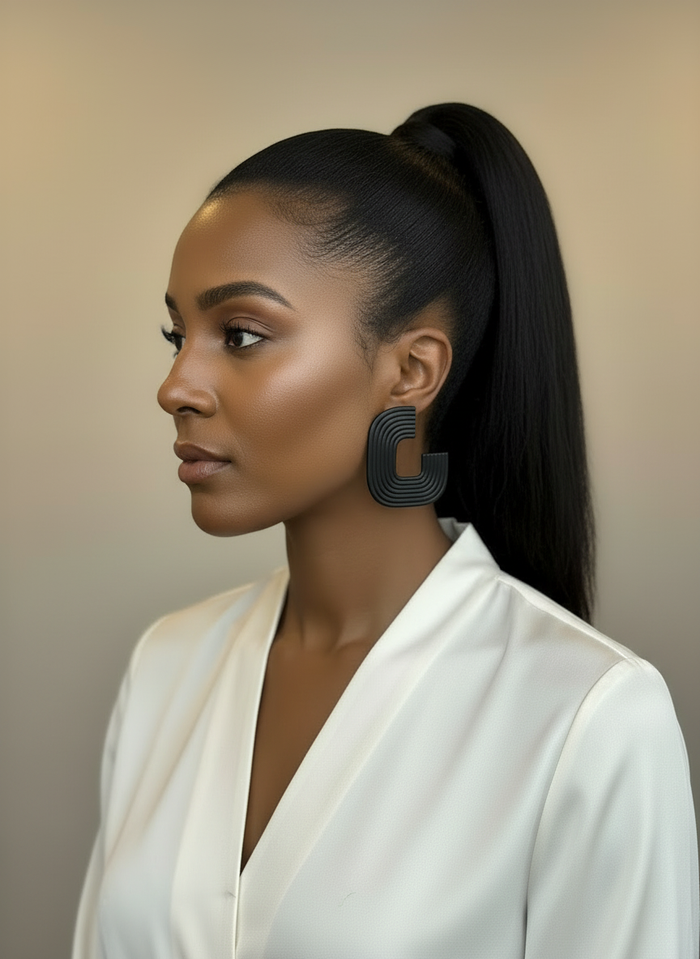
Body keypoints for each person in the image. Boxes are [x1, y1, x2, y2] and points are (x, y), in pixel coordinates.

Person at [71, 104, 699, 958]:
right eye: (178, 335)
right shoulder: (166, 665)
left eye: (242, 334)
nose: (176, 384)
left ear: (411, 369)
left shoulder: (591, 714)